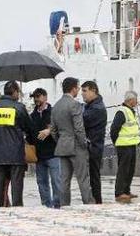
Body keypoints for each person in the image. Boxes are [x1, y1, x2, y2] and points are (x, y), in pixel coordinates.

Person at [0, 81, 34, 207]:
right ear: (15, 92)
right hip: (15, 155)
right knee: (16, 189)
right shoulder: (19, 107)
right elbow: (29, 128)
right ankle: (17, 213)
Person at [51, 77, 94, 205]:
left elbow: (53, 130)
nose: (79, 90)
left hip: (62, 146)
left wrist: (61, 140)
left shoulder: (56, 106)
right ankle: (88, 204)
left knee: (64, 180)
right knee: (83, 179)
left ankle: (64, 206)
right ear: (74, 88)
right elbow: (79, 128)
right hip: (76, 146)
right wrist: (84, 144)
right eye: (78, 88)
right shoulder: (74, 104)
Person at [30, 88, 60, 208]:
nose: (36, 99)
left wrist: (49, 130)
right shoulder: (32, 116)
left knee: (56, 182)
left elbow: (62, 127)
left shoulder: (54, 113)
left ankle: (57, 205)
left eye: (38, 96)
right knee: (41, 183)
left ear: (45, 97)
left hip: (53, 153)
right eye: (34, 97)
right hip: (39, 155)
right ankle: (46, 206)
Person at [110, 91, 140, 203]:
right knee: (123, 169)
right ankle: (119, 192)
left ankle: (126, 190)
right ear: (131, 100)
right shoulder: (122, 112)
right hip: (124, 145)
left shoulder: (130, 111)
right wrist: (117, 142)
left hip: (131, 144)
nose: (137, 102)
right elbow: (114, 129)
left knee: (130, 169)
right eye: (136, 100)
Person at [82, 81, 107, 204]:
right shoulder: (90, 106)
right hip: (92, 146)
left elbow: (82, 121)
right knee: (92, 177)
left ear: (93, 91)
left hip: (93, 147)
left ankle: (97, 201)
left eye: (85, 91)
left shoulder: (97, 108)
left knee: (93, 177)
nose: (82, 94)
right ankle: (95, 200)